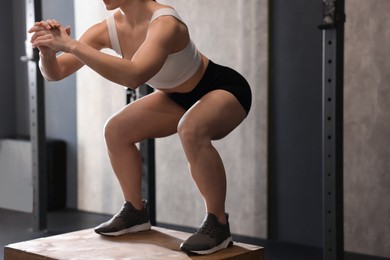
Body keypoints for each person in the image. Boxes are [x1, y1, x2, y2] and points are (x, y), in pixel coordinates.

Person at [28, 0, 252, 255]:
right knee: (116, 130)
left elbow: (134, 75)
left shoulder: (166, 23)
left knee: (190, 128)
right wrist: (47, 53)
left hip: (223, 88)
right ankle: (135, 212)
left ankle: (218, 224)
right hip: (176, 96)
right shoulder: (106, 29)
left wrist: (71, 45)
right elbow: (54, 73)